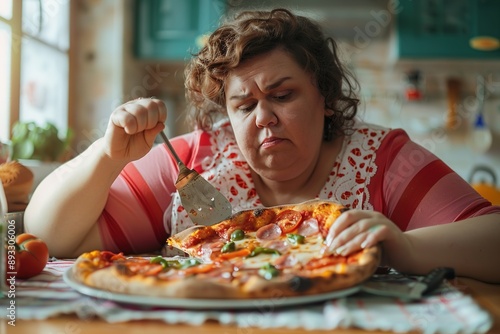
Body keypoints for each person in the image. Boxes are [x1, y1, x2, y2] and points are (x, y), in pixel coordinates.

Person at [25, 8, 500, 283]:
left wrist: (404, 248)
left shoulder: (381, 160)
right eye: (244, 105)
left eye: (282, 95)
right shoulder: (192, 163)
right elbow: (47, 236)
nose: (264, 117)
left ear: (327, 98)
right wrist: (107, 156)